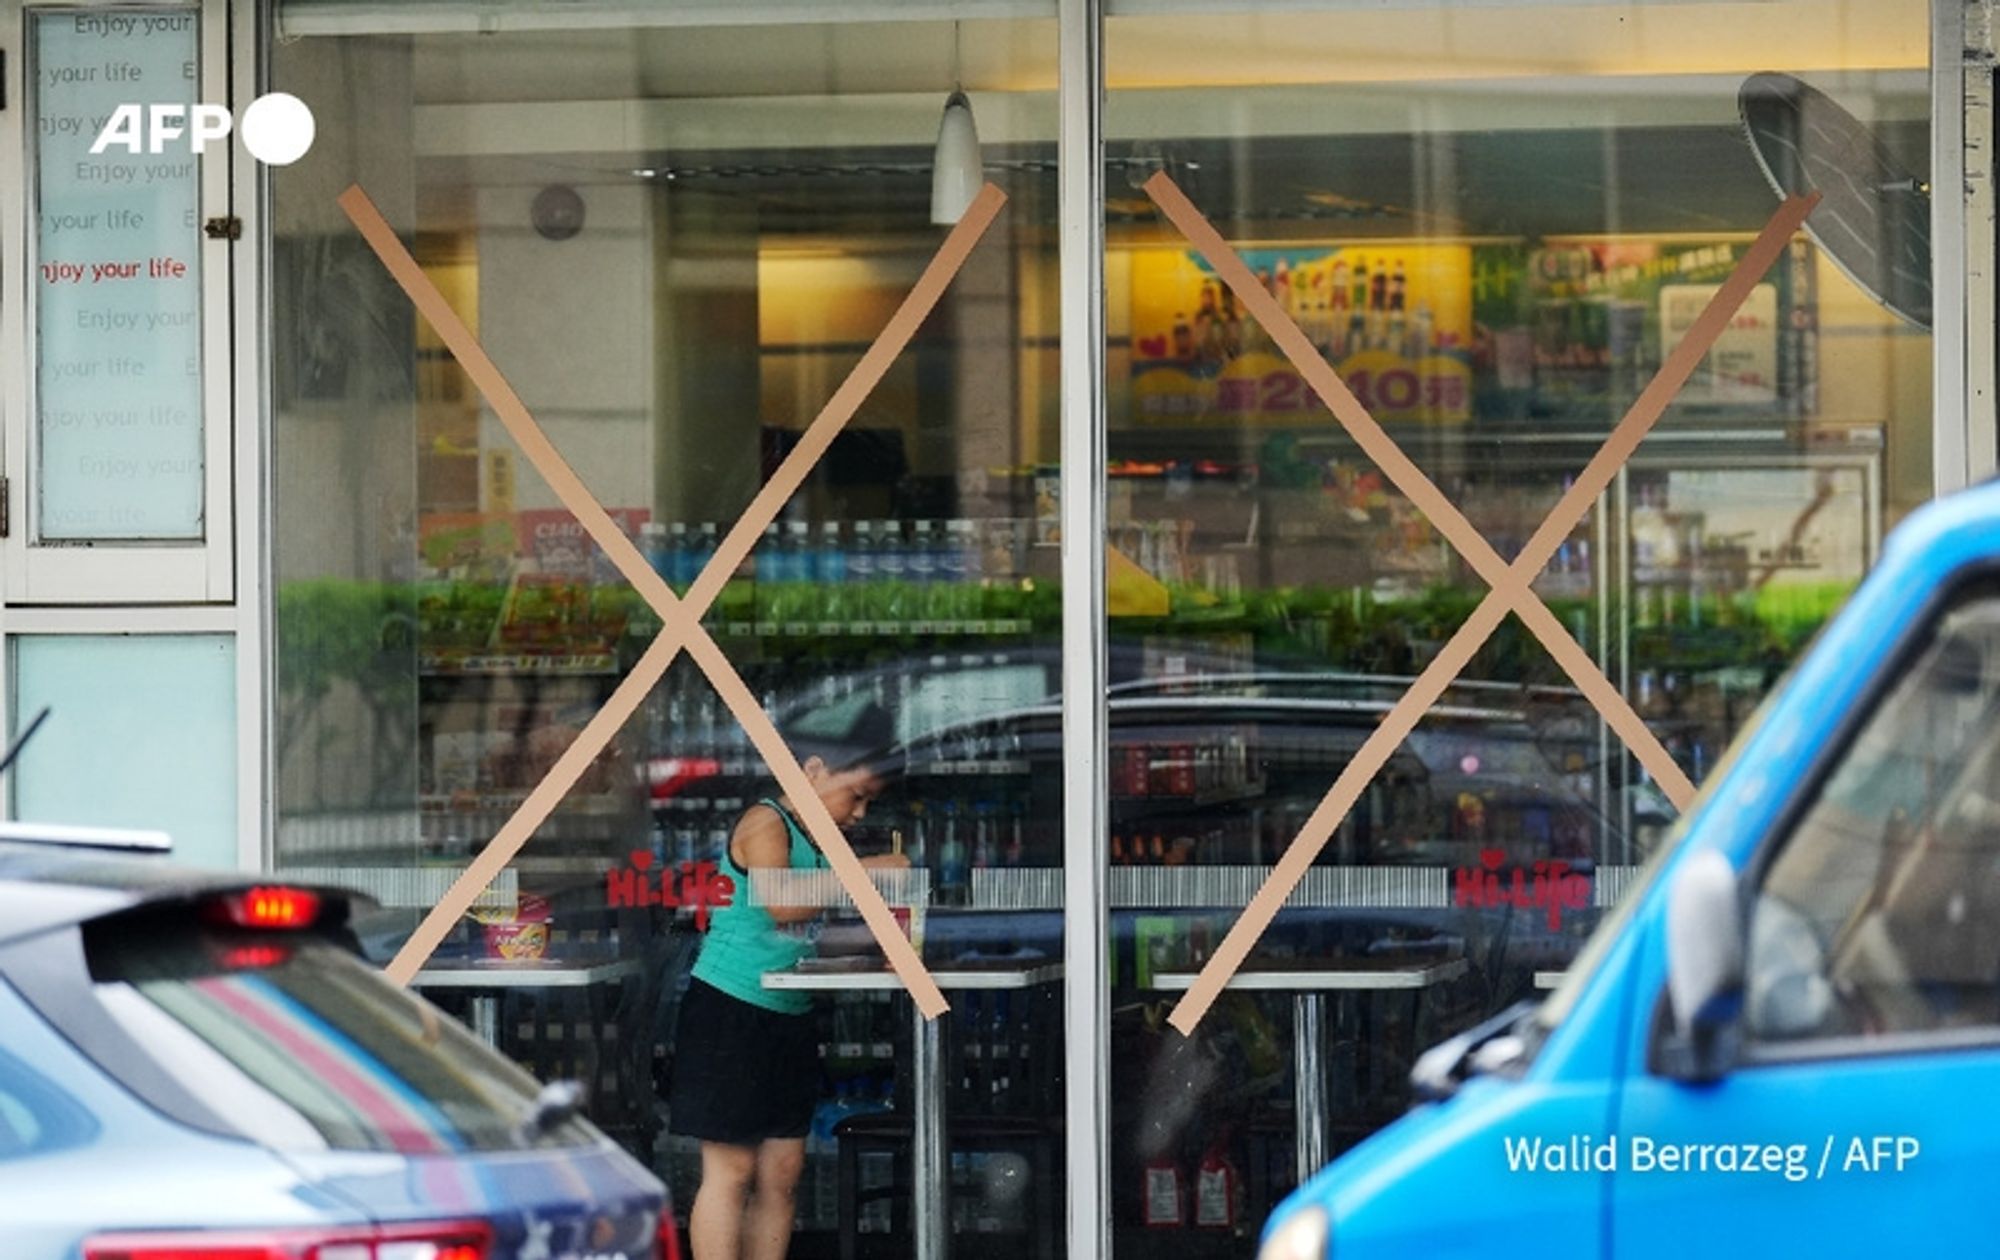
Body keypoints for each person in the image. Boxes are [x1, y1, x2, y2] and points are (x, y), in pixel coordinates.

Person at [667, 751, 909, 1260]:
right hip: (729, 1010)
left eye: (870, 802)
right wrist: (865, 873)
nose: (860, 813)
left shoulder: (818, 842)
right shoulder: (764, 822)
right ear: (815, 769)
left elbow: (801, 934)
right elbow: (782, 901)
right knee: (730, 1171)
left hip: (788, 1013)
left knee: (783, 1174)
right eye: (857, 795)